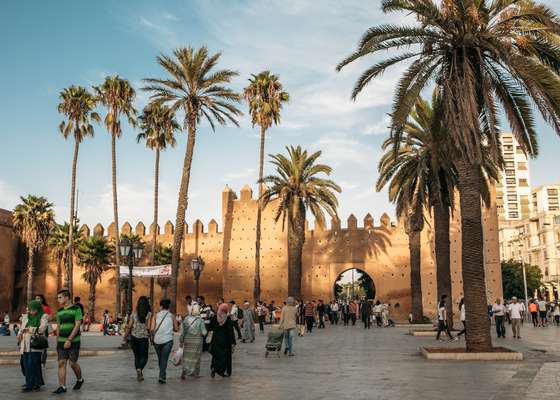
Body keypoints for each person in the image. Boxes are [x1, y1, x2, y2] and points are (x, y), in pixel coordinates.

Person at [53, 289, 84, 395]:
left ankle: (80, 380)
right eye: (58, 298)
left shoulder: (77, 309)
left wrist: (69, 340)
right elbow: (58, 326)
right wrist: (57, 339)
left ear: (67, 297)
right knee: (61, 363)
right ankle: (62, 386)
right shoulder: (59, 311)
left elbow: (77, 325)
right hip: (61, 341)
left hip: (74, 341)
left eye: (60, 297)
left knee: (72, 363)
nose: (58, 300)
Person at [18, 300, 49, 392]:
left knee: (32, 364)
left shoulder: (43, 316)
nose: (31, 312)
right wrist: (19, 333)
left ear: (38, 309)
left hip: (35, 343)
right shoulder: (26, 317)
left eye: (33, 310)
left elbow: (42, 329)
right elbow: (22, 327)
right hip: (25, 344)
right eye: (30, 309)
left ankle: (31, 384)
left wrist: (29, 329)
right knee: (25, 364)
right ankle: (34, 382)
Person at [149, 298, 178, 384]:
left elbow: (151, 329)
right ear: (168, 306)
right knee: (164, 359)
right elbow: (176, 329)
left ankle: (162, 374)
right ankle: (162, 376)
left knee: (160, 358)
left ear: (161, 306)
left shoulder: (155, 315)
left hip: (157, 340)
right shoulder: (172, 316)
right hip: (168, 340)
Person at [125, 296, 151, 382]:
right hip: (144, 338)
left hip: (134, 338)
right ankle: (140, 370)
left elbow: (129, 326)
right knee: (145, 357)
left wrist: (125, 336)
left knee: (137, 357)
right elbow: (148, 328)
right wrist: (151, 336)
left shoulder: (134, 314)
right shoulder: (149, 314)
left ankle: (139, 372)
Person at [207, 303, 236, 377]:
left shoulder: (214, 317)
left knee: (216, 355)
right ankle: (222, 371)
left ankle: (213, 367)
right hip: (225, 341)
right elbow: (230, 331)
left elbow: (210, 328)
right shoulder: (227, 319)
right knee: (225, 356)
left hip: (216, 339)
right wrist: (233, 342)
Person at [180, 304, 207, 380]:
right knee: (196, 357)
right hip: (197, 341)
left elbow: (183, 332)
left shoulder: (186, 319)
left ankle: (184, 372)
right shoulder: (200, 320)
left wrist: (181, 341)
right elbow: (204, 332)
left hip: (188, 341)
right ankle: (195, 374)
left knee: (186, 357)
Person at [34, 294, 51, 368]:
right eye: (36, 298)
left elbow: (50, 318)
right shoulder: (34, 308)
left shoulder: (46, 308)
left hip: (44, 329)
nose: (37, 300)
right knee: (35, 345)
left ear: (42, 300)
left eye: (38, 298)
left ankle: (43, 362)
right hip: (34, 328)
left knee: (43, 345)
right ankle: (36, 362)